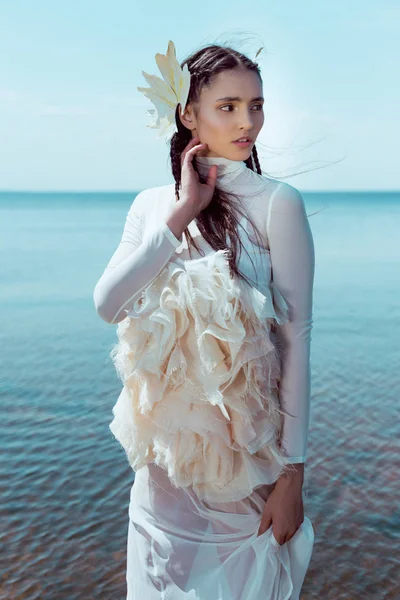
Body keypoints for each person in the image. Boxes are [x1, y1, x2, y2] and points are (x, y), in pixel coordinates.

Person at [93, 40, 315, 600]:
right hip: (163, 470)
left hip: (247, 465)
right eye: (229, 106)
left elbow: (296, 341)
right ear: (188, 114)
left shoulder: (276, 203)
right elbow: (107, 305)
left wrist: (293, 475)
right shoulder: (152, 205)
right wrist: (180, 216)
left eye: (257, 105)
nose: (248, 122)